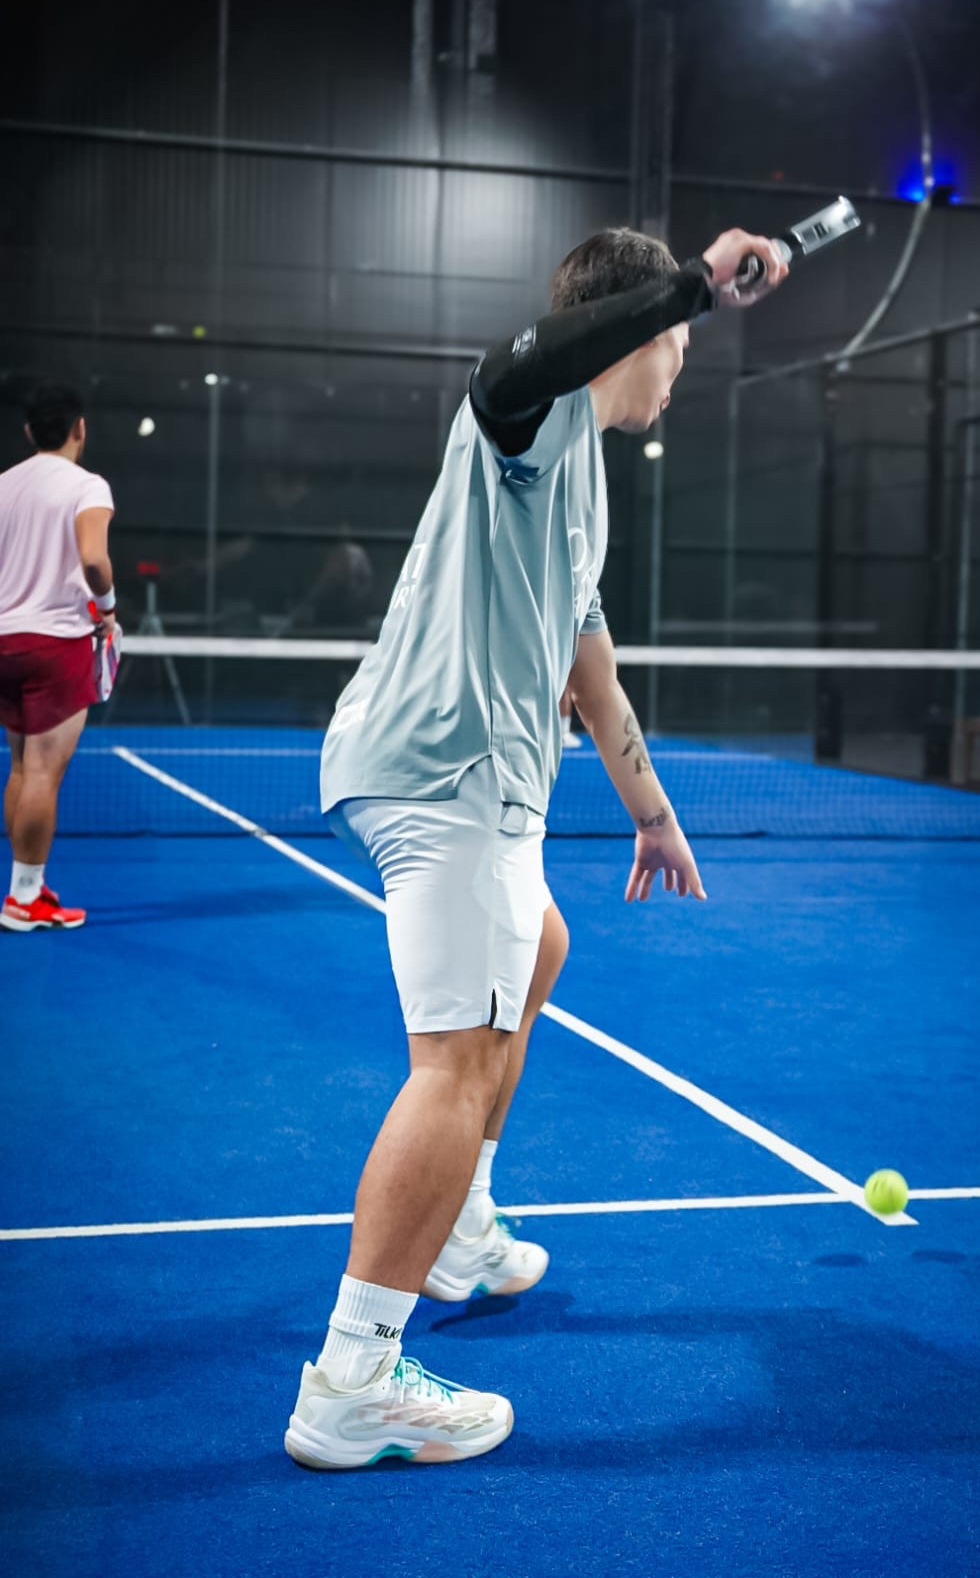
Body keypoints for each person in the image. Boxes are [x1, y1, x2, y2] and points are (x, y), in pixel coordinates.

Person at [285, 225, 787, 1470]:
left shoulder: (585, 491)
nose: (679, 365)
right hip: (445, 771)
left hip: (457, 777)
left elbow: (590, 674)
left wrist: (652, 813)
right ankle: (354, 1380)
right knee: (453, 1064)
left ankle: (461, 1224)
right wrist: (691, 285)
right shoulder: (530, 417)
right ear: (637, 330)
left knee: (541, 942)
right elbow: (514, 367)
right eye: (674, 342)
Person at [0, 385, 118, 931]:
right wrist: (108, 609)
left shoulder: (4, 484)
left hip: (4, 643)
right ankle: (24, 901)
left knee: (23, 766)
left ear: (29, 432)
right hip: (55, 644)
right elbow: (94, 559)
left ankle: (25, 888)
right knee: (44, 772)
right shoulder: (87, 485)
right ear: (80, 429)